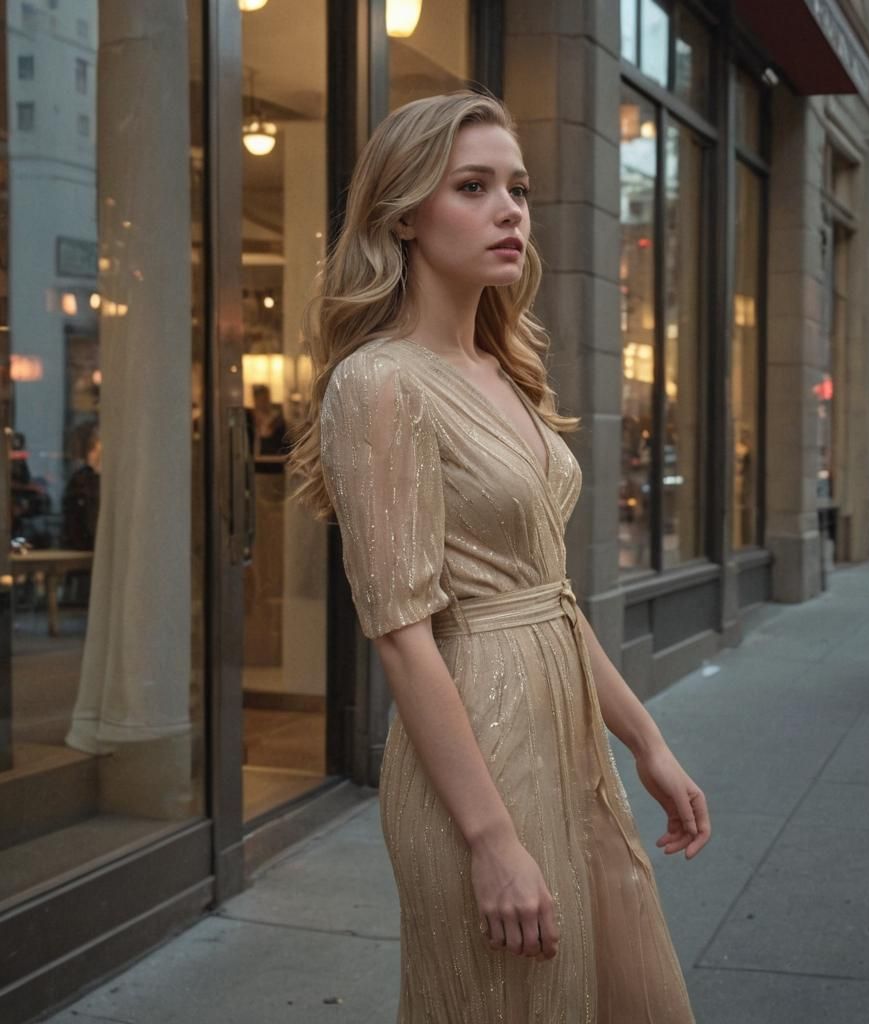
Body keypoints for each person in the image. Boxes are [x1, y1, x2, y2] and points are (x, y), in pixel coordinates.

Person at [290, 91, 709, 1023]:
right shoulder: (378, 384)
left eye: (516, 188)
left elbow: (548, 597)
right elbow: (402, 636)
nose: (510, 209)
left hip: (567, 742)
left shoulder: (505, 368)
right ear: (403, 215)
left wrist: (647, 743)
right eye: (472, 187)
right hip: (478, 754)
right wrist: (490, 840)